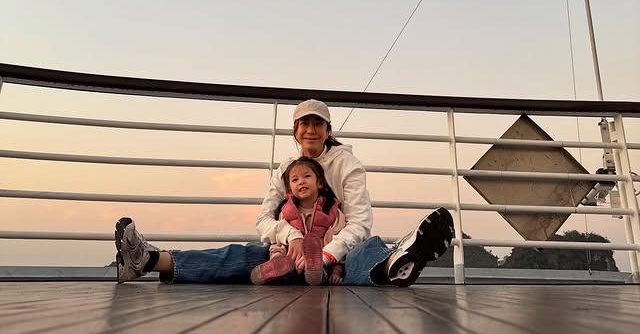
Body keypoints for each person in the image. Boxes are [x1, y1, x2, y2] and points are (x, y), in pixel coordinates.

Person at [115, 99, 454, 285]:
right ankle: (147, 260)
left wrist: (326, 255)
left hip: (336, 255)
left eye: (318, 123)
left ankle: (396, 262)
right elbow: (264, 219)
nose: (311, 129)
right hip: (289, 255)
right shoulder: (286, 169)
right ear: (295, 130)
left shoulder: (347, 164)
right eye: (305, 123)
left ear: (328, 130)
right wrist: (292, 236)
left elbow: (360, 223)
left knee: (364, 251)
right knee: (240, 256)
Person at [250, 156, 346, 286]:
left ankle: (315, 273)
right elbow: (278, 242)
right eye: (295, 179)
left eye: (307, 176)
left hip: (322, 262)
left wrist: (337, 271)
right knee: (287, 269)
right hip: (293, 263)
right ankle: (273, 271)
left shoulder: (332, 211)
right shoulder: (286, 212)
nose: (301, 182)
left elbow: (339, 242)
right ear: (290, 190)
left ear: (320, 183)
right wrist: (277, 257)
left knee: (322, 271)